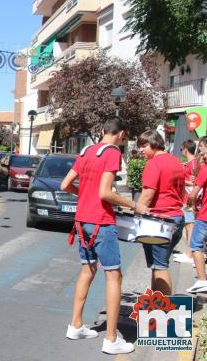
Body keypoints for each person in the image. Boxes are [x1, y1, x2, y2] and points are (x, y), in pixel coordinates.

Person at [60, 117, 145, 355]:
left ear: (102, 131)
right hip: (101, 221)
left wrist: (84, 195)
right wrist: (133, 205)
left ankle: (75, 325)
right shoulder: (113, 152)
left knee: (87, 270)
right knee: (114, 276)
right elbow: (105, 193)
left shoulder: (87, 150)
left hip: (82, 220)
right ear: (121, 134)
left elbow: (66, 184)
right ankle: (110, 338)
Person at [136, 130, 185, 295]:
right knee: (158, 266)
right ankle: (155, 306)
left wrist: (136, 213)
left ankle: (164, 312)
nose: (141, 150)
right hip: (176, 217)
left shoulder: (154, 163)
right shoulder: (175, 161)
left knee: (160, 267)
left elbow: (147, 194)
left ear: (154, 143)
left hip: (160, 221)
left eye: (144, 146)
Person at [186, 137, 207, 293]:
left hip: (204, 214)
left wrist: (190, 205)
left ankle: (201, 279)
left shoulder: (205, 169)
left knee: (196, 246)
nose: (200, 151)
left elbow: (194, 192)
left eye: (202, 148)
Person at [174, 139, 199, 264]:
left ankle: (190, 254)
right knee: (188, 225)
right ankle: (189, 253)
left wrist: (183, 181)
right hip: (186, 197)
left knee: (190, 226)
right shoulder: (190, 163)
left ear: (185, 149)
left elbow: (196, 182)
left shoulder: (194, 163)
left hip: (190, 198)